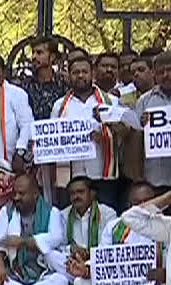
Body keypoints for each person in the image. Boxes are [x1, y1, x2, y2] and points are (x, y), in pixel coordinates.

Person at [76, 181, 159, 285]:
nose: (144, 207)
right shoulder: (115, 226)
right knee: (79, 284)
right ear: (129, 205)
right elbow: (103, 258)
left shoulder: (167, 225)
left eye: (148, 201)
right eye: (138, 203)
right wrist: (87, 269)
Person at [51, 56, 127, 210]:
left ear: (92, 74)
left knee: (106, 219)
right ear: (69, 75)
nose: (80, 75)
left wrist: (106, 135)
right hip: (71, 176)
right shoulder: (59, 106)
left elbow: (125, 132)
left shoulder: (111, 101)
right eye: (75, 72)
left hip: (102, 173)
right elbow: (53, 138)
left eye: (84, 72)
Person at [0, 173, 70, 285]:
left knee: (62, 281)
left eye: (21, 193)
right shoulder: (7, 211)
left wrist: (23, 242)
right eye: (15, 193)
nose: (16, 198)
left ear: (35, 194)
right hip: (16, 273)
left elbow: (55, 238)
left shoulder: (52, 213)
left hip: (42, 274)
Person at [20, 37, 69, 204]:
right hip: (32, 153)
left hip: (58, 151)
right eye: (33, 53)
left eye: (40, 52)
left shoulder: (64, 84)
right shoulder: (24, 86)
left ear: (53, 57)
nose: (34, 57)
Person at [132, 51, 171, 191]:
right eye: (160, 72)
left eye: (170, 70)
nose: (165, 75)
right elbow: (136, 139)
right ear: (154, 75)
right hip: (152, 181)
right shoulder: (145, 101)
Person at [60, 177, 117, 261]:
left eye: (81, 192)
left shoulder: (107, 213)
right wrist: (71, 249)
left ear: (92, 193)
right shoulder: (63, 215)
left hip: (99, 261)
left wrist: (91, 254)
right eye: (72, 193)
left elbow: (113, 244)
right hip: (72, 262)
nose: (76, 196)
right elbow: (59, 245)